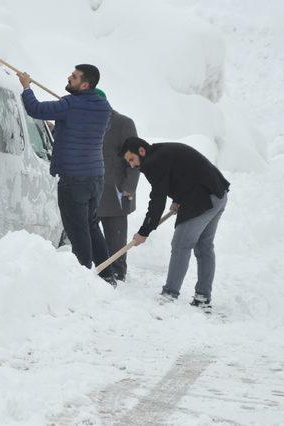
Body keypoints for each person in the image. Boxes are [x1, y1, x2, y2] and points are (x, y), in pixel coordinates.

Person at [16, 65, 116, 285]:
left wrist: (26, 86)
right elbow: (86, 128)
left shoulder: (70, 105)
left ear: (85, 85)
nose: (69, 77)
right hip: (95, 176)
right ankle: (107, 274)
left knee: (76, 229)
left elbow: (36, 110)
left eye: (74, 76)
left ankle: (82, 279)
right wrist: (62, 124)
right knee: (90, 224)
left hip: (74, 178)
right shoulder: (104, 108)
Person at [120, 137, 230, 309]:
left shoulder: (153, 162)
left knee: (180, 245)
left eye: (132, 159)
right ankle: (202, 296)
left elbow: (157, 200)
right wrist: (178, 199)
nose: (132, 165)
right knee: (204, 246)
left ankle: (169, 294)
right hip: (218, 193)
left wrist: (144, 231)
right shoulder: (161, 151)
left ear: (141, 151)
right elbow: (184, 172)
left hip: (203, 200)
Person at [94, 89, 140, 282]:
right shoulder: (87, 122)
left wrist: (129, 188)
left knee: (116, 240)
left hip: (116, 194)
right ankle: (91, 270)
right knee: (87, 238)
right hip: (90, 191)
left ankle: (118, 274)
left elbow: (134, 161)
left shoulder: (124, 124)